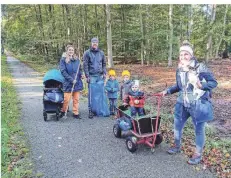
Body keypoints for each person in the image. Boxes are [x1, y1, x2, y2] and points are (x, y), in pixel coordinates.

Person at [162, 41, 218, 165]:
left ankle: (197, 154)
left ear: (191, 55)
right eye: (181, 54)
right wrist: (167, 91)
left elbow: (213, 83)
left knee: (199, 130)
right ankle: (177, 146)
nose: (183, 57)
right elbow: (179, 86)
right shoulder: (180, 69)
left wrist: (201, 84)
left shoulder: (200, 67)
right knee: (177, 126)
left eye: (186, 54)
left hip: (197, 104)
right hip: (182, 104)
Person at [83, 37, 107, 119]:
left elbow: (104, 64)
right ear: (91, 43)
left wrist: (104, 72)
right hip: (91, 76)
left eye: (96, 42)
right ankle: (91, 110)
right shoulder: (87, 53)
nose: (95, 44)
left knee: (100, 93)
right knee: (92, 94)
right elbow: (85, 65)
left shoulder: (101, 53)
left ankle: (99, 110)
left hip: (100, 76)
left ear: (98, 43)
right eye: (93, 42)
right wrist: (87, 76)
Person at [59, 44, 83, 119]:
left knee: (76, 99)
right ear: (67, 51)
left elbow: (80, 69)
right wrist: (71, 80)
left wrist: (81, 75)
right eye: (69, 50)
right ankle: (63, 111)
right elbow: (63, 71)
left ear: (74, 51)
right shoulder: (63, 60)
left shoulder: (77, 59)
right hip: (68, 82)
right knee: (66, 99)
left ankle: (75, 112)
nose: (71, 51)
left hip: (77, 82)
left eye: (72, 50)